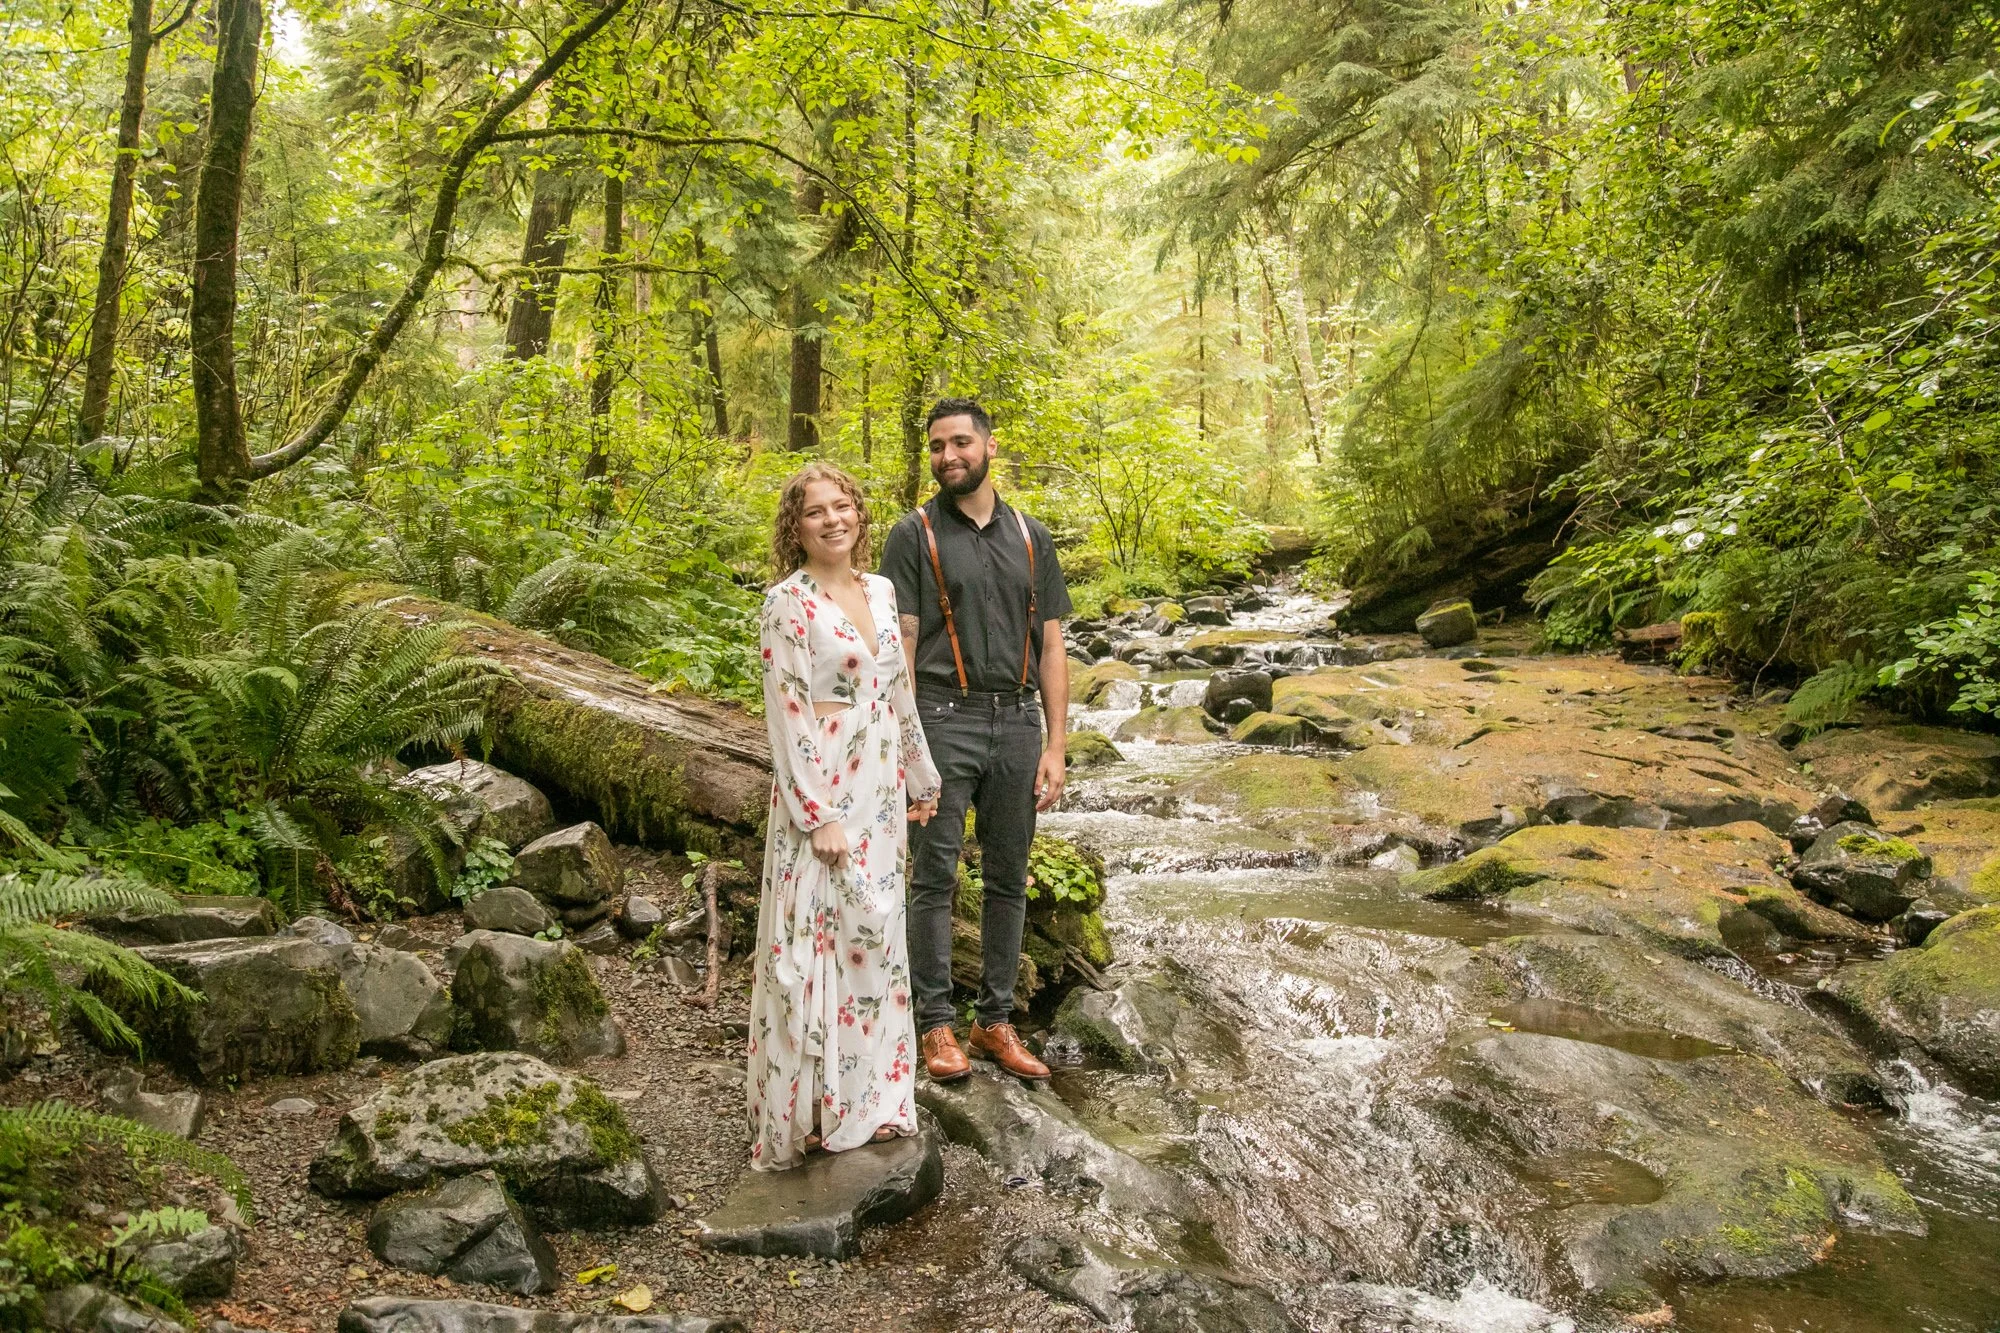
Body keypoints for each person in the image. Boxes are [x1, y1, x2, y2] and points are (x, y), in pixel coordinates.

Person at [746, 462, 941, 1170]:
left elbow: (896, 689)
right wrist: (816, 813)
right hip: (825, 784)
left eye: (843, 506)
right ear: (794, 528)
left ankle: (876, 1101)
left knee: (877, 937)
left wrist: (922, 773)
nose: (833, 519)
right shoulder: (786, 602)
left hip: (881, 783)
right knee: (819, 938)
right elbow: (786, 710)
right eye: (815, 512)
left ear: (859, 513)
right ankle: (814, 1110)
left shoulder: (883, 590)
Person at [879, 397, 1073, 1083]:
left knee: (1007, 877)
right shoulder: (913, 535)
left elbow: (1050, 642)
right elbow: (900, 640)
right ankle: (935, 1023)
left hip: (1019, 721)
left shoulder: (1031, 535)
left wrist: (1056, 743)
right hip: (940, 715)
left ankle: (993, 1021)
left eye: (960, 442)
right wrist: (905, 741)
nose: (948, 456)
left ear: (991, 447)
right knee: (933, 876)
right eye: (936, 447)